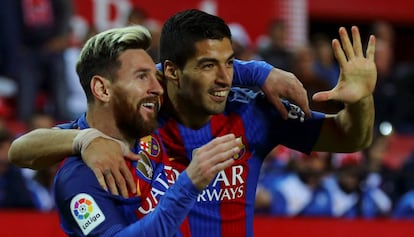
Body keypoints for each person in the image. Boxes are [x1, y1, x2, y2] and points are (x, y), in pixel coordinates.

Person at [9, 9, 377, 237]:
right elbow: (21, 150)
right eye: (207, 66)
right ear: (171, 74)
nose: (224, 78)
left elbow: (350, 138)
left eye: (231, 63)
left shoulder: (254, 111)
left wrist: (360, 99)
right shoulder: (142, 116)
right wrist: (83, 139)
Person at [27, 24, 243, 236]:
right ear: (102, 89)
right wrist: (188, 184)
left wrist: (263, 74)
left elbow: (202, 70)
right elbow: (24, 149)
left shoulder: (141, 121)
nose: (158, 88)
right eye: (141, 76)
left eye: (154, 75)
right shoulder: (79, 177)